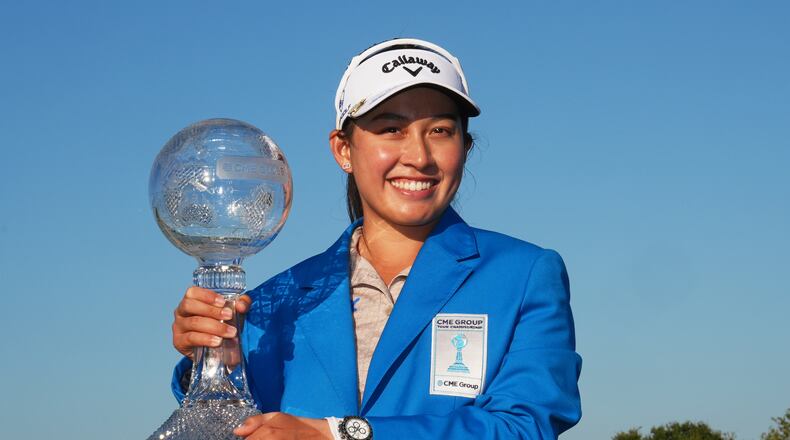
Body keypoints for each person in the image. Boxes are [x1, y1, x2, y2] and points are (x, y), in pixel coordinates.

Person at [170, 38, 582, 439]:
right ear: (343, 149)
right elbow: (238, 428)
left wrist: (342, 435)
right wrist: (216, 367)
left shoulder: (523, 275)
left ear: (466, 147)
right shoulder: (272, 304)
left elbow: (525, 425)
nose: (419, 156)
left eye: (440, 130)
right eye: (391, 129)